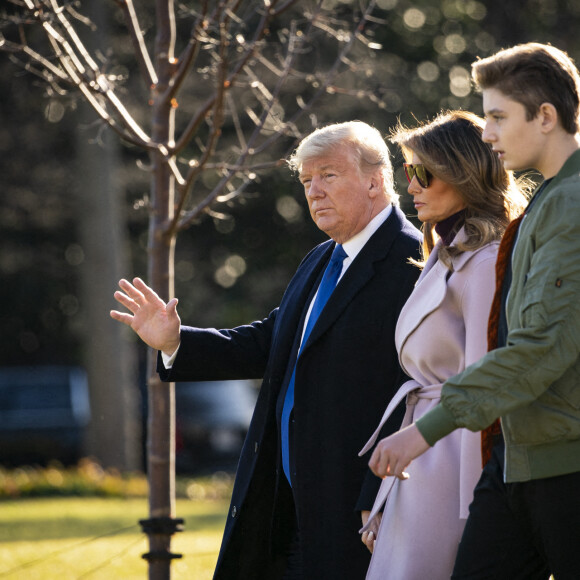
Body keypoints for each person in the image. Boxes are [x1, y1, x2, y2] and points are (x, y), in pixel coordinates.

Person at [110, 121, 422, 579]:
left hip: (357, 513)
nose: (313, 191)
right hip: (285, 505)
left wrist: (375, 497)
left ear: (375, 180)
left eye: (329, 175)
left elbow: (414, 392)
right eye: (306, 180)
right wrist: (177, 342)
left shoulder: (412, 262)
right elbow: (268, 343)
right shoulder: (321, 259)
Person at [367, 42, 580, 580]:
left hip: (562, 462)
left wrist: (425, 429)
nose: (487, 134)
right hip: (522, 458)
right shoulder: (548, 203)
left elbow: (537, 348)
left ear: (546, 117)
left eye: (497, 117)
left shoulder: (571, 207)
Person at [358, 110, 527, 579]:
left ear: (463, 175)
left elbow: (484, 384)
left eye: (421, 173)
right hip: (424, 460)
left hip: (454, 465)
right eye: (407, 171)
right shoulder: (446, 254)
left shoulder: (486, 261)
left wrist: (480, 509)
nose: (409, 185)